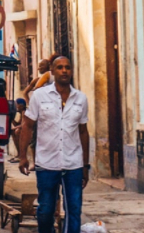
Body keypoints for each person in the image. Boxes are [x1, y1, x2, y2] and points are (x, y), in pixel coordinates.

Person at [19, 55, 90, 233]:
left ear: (71, 71)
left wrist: (85, 165)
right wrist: (23, 157)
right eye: (59, 67)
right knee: (46, 211)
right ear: (52, 71)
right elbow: (27, 126)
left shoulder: (81, 99)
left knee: (74, 210)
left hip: (73, 165)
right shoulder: (39, 96)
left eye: (67, 67)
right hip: (47, 164)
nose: (64, 71)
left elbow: (83, 132)